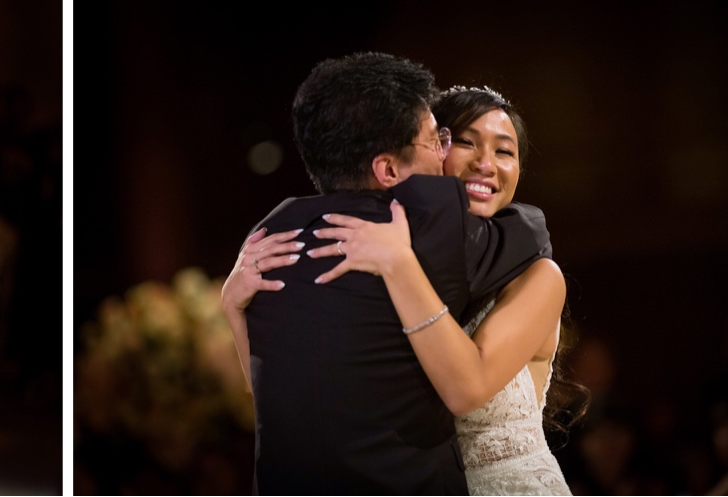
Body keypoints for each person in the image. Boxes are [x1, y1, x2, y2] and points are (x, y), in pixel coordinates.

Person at [218, 53, 552, 494]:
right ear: (389, 168)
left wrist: (233, 306)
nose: (482, 163)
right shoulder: (428, 222)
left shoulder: (275, 230)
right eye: (448, 140)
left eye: (504, 150)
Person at [311, 86, 571, 494]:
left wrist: (398, 264)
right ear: (434, 151)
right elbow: (311, 394)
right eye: (466, 142)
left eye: (505, 151)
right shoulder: (383, 256)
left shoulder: (539, 276)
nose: (486, 163)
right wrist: (236, 304)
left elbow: (467, 388)